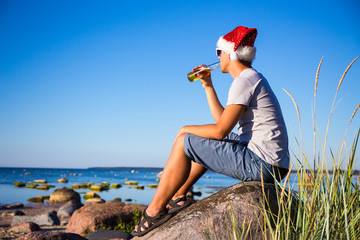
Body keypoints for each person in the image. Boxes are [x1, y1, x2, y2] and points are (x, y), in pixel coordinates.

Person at [132, 26, 289, 237]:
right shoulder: (251, 78)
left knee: (184, 140)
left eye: (218, 51)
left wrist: (183, 130)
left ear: (231, 53)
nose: (217, 56)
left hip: (263, 165)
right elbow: (222, 122)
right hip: (270, 162)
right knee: (196, 139)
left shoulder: (244, 81)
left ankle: (154, 210)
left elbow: (220, 131)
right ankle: (179, 195)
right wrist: (208, 85)